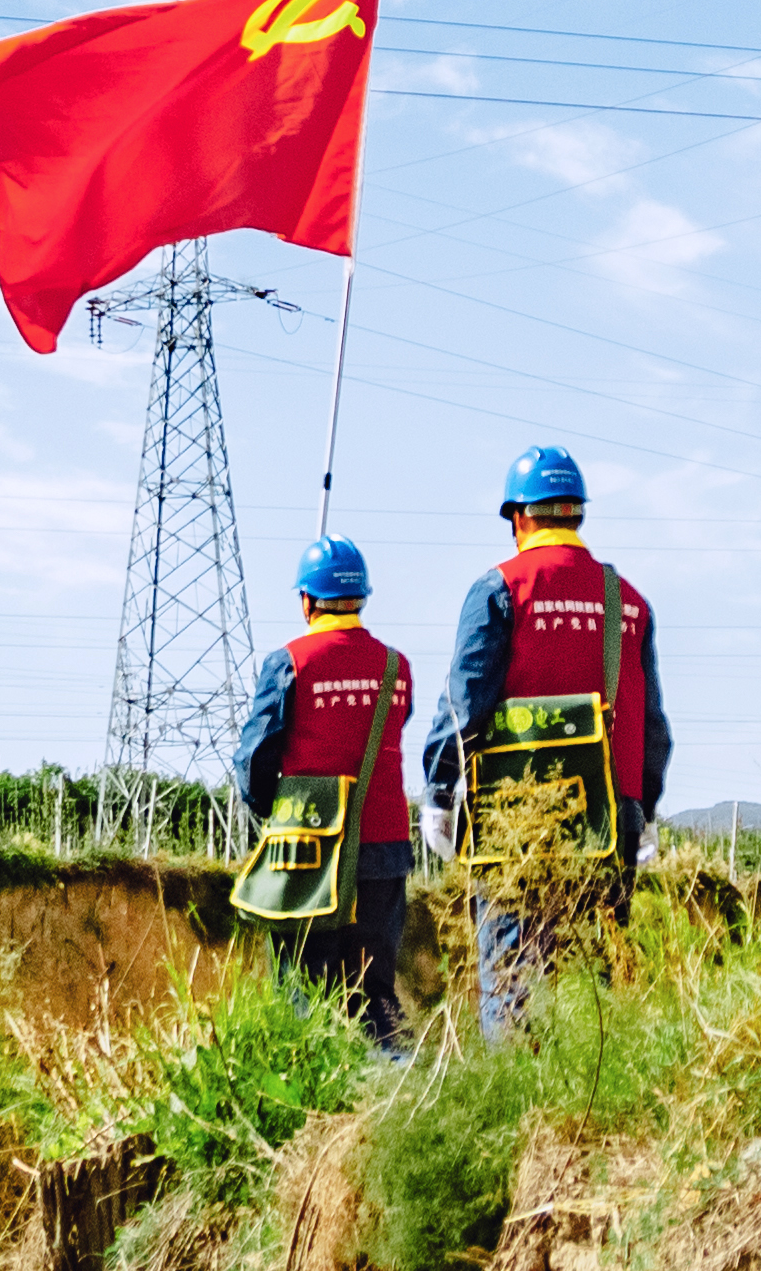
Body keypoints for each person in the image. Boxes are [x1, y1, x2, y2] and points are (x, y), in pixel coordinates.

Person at [418, 447, 667, 1039]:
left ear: (519, 517)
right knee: (592, 980)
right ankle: (594, 1110)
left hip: (516, 822)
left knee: (513, 978)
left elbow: (463, 704)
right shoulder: (629, 602)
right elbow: (652, 724)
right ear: (576, 513)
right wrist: (647, 810)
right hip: (610, 822)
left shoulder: (500, 589)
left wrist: (439, 791)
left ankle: (520, 1118)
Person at [231, 537, 421, 1051]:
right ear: (361, 597)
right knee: (375, 990)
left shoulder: (289, 662)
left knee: (304, 991)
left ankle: (319, 1108)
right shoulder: (396, 667)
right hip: (384, 850)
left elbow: (254, 762)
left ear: (307, 601)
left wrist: (272, 814)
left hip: (309, 853)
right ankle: (395, 1099)